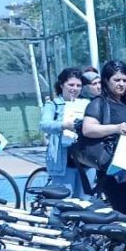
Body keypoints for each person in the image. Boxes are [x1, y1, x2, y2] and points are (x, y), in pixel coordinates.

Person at [80, 60, 126, 215]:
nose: (121, 84)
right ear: (106, 81)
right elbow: (87, 129)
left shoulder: (125, 104)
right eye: (116, 80)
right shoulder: (99, 103)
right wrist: (116, 128)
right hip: (112, 167)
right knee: (124, 213)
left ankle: (122, 239)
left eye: (125, 80)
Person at [38, 68, 93, 197]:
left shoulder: (86, 104)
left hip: (86, 160)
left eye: (78, 85)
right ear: (62, 85)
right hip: (63, 161)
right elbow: (44, 124)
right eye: (71, 84)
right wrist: (63, 125)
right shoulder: (53, 105)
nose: (75, 88)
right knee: (63, 202)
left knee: (85, 203)